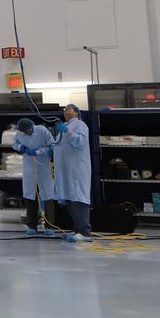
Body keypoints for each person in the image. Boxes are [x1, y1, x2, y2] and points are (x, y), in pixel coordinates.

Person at [53, 103, 92, 242]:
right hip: (66, 170)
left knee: (78, 198)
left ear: (76, 112)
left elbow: (80, 142)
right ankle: (77, 230)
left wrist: (67, 132)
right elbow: (57, 147)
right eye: (64, 110)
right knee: (70, 199)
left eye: (69, 109)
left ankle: (85, 232)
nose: (66, 111)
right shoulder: (65, 127)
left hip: (77, 170)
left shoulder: (80, 125)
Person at [12, 118, 57, 238]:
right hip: (29, 167)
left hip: (43, 166)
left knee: (48, 195)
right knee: (30, 195)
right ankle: (32, 225)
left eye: (27, 131)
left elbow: (52, 145)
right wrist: (20, 147)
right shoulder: (20, 133)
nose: (26, 133)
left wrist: (38, 152)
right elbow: (14, 143)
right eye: (24, 132)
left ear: (32, 126)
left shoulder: (42, 131)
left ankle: (50, 226)